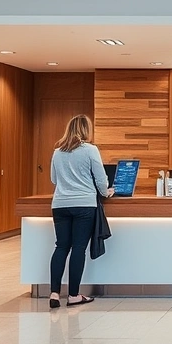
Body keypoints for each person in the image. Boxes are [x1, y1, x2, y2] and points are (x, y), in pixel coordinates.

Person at [49, 114, 113, 309]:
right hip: (84, 204)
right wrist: (106, 192)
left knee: (61, 247)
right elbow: (101, 180)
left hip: (60, 204)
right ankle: (74, 295)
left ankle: (54, 293)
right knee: (78, 249)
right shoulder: (90, 150)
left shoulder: (57, 151)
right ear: (86, 130)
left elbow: (54, 179)